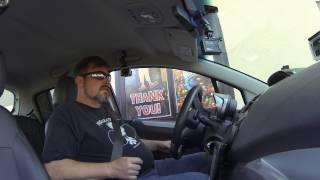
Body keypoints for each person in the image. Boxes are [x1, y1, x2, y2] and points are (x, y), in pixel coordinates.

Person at [42, 56, 210, 180]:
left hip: (152, 168)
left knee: (208, 160)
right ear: (79, 81)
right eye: (98, 76)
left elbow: (125, 140)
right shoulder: (64, 116)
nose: (106, 81)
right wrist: (111, 169)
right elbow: (54, 169)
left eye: (107, 76)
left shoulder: (105, 109)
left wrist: (159, 144)